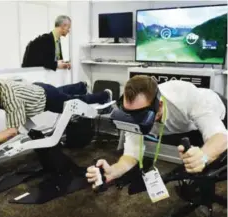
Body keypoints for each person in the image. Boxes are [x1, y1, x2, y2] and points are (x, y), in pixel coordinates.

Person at [86, 75, 227, 188]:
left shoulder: (185, 95)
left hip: (218, 115)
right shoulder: (133, 115)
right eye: (130, 115)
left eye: (140, 116)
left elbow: (220, 136)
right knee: (193, 163)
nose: (135, 120)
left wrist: (203, 156)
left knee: (212, 161)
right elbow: (131, 155)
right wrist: (114, 171)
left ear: (159, 106)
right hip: (181, 128)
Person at [0, 71, 112, 153]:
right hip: (37, 89)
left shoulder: (10, 98)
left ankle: (103, 95)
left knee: (76, 102)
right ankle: (80, 85)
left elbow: (13, 130)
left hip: (46, 98)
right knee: (61, 91)